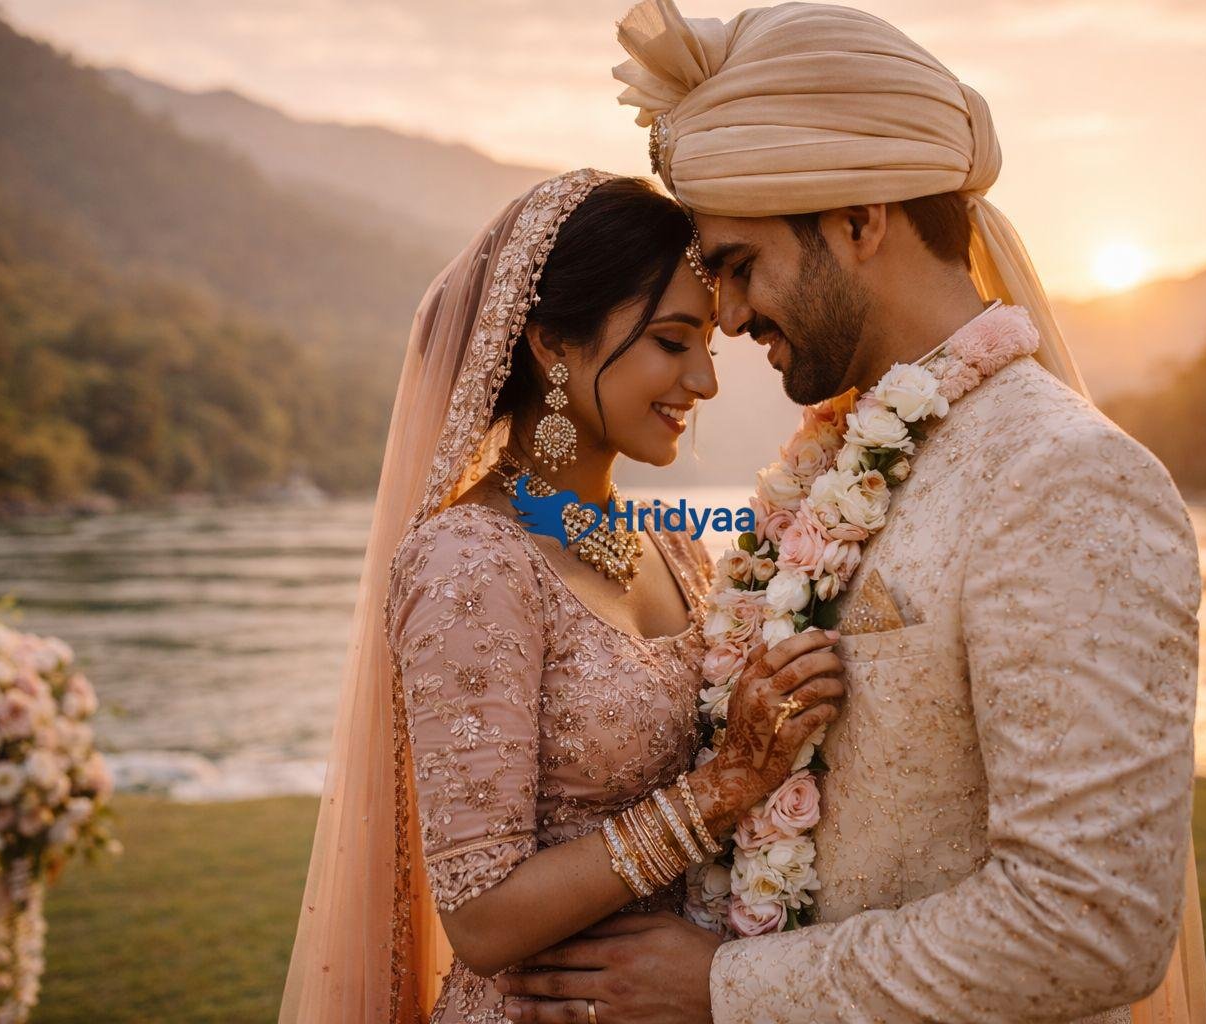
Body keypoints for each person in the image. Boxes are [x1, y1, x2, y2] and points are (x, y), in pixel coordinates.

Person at [493, 4, 1206, 1023]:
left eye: (739, 266)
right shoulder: (833, 462)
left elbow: (1093, 921)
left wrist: (723, 987)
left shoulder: (1065, 477)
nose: (729, 318)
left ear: (861, 221)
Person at [279, 169, 846, 1023]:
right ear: (552, 346)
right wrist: (725, 786)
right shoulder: (471, 560)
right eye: (671, 342)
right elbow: (483, 917)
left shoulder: (674, 547)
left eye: (708, 346)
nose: (705, 381)